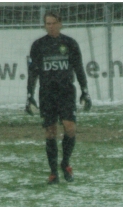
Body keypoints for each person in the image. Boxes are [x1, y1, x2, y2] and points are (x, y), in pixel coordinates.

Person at [26, 10, 91, 185]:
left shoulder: (70, 43)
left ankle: (65, 163)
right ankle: (53, 172)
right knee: (50, 132)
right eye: (47, 24)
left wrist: (85, 91)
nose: (51, 26)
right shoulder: (38, 45)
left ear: (60, 23)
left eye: (53, 23)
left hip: (66, 92)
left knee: (70, 128)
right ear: (44, 25)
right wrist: (29, 96)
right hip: (47, 93)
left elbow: (79, 69)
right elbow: (33, 73)